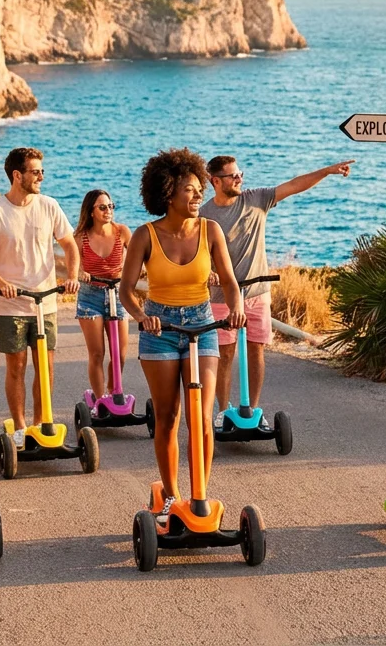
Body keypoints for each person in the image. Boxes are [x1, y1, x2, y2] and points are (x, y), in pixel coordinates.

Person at [119, 148, 245, 525]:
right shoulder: (145, 235)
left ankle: (200, 495)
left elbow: (229, 280)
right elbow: (126, 290)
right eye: (189, 190)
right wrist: (142, 316)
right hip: (159, 328)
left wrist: (235, 307)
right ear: (168, 192)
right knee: (170, 416)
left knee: (201, 417)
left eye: (199, 190)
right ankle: (170, 497)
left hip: (202, 324)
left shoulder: (211, 231)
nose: (197, 197)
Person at [202, 155, 354, 428]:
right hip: (221, 296)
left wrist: (328, 171)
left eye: (240, 174)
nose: (239, 179)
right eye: (232, 176)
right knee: (224, 355)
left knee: (256, 351)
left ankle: (253, 411)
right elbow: (197, 252)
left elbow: (295, 185)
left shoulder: (256, 199)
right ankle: (222, 412)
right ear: (215, 181)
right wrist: (207, 272)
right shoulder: (204, 215)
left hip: (257, 292)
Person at [0, 147, 80, 447]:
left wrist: (71, 277)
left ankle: (40, 423)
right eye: (35, 171)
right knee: (17, 367)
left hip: (45, 301)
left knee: (45, 366)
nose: (41, 176)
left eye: (42, 171)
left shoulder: (48, 205)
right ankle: (20, 427)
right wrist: (0, 283)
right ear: (17, 175)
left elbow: (69, 245)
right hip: (10, 304)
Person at [74, 189, 133, 398]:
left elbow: (137, 257)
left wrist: (136, 271)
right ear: (91, 211)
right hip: (90, 296)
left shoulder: (122, 232)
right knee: (97, 353)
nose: (108, 210)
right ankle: (100, 400)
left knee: (121, 354)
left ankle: (114, 391)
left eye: (110, 206)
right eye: (102, 207)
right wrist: (80, 272)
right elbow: (72, 265)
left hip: (117, 293)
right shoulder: (80, 237)